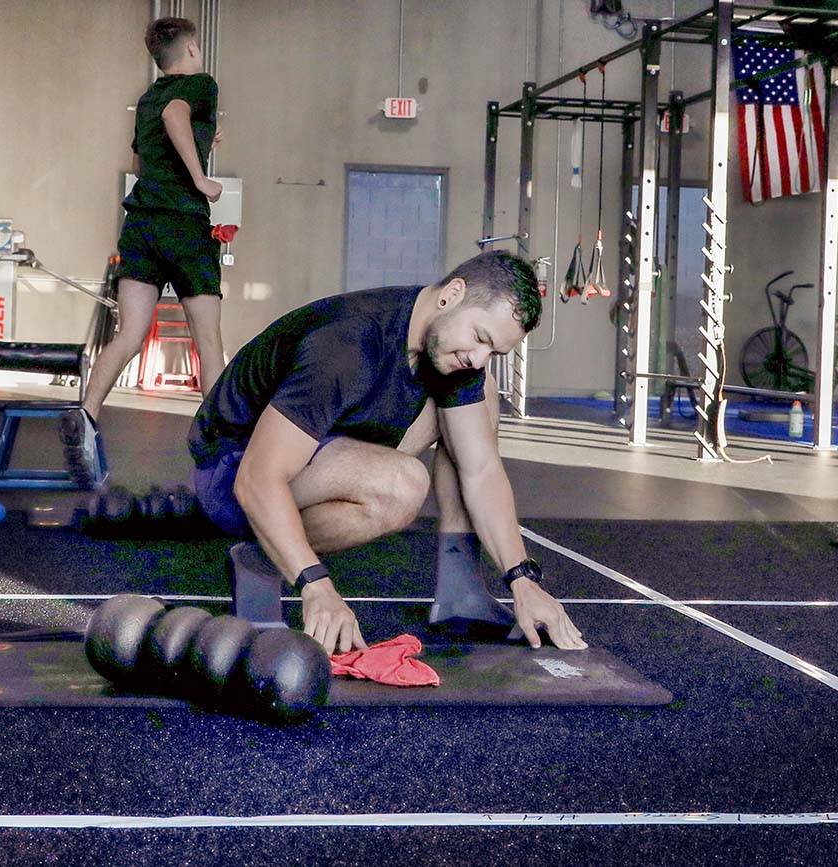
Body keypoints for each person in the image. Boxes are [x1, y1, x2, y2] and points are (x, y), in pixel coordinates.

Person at [188, 250, 588, 656]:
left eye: (494, 352)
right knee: (401, 486)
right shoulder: (349, 343)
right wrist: (317, 586)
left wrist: (523, 580)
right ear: (451, 294)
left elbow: (481, 469)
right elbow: (257, 477)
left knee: (478, 398)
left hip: (319, 447)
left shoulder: (442, 342)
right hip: (232, 469)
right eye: (481, 338)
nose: (479, 357)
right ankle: (262, 558)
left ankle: (460, 592)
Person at [62, 17, 225, 482]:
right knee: (208, 343)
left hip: (142, 226)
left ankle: (87, 416)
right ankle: (218, 451)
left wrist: (199, 143)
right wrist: (198, 178)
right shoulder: (201, 84)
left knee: (129, 335)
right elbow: (177, 116)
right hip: (183, 226)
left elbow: (143, 158)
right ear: (191, 49)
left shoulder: (146, 97)